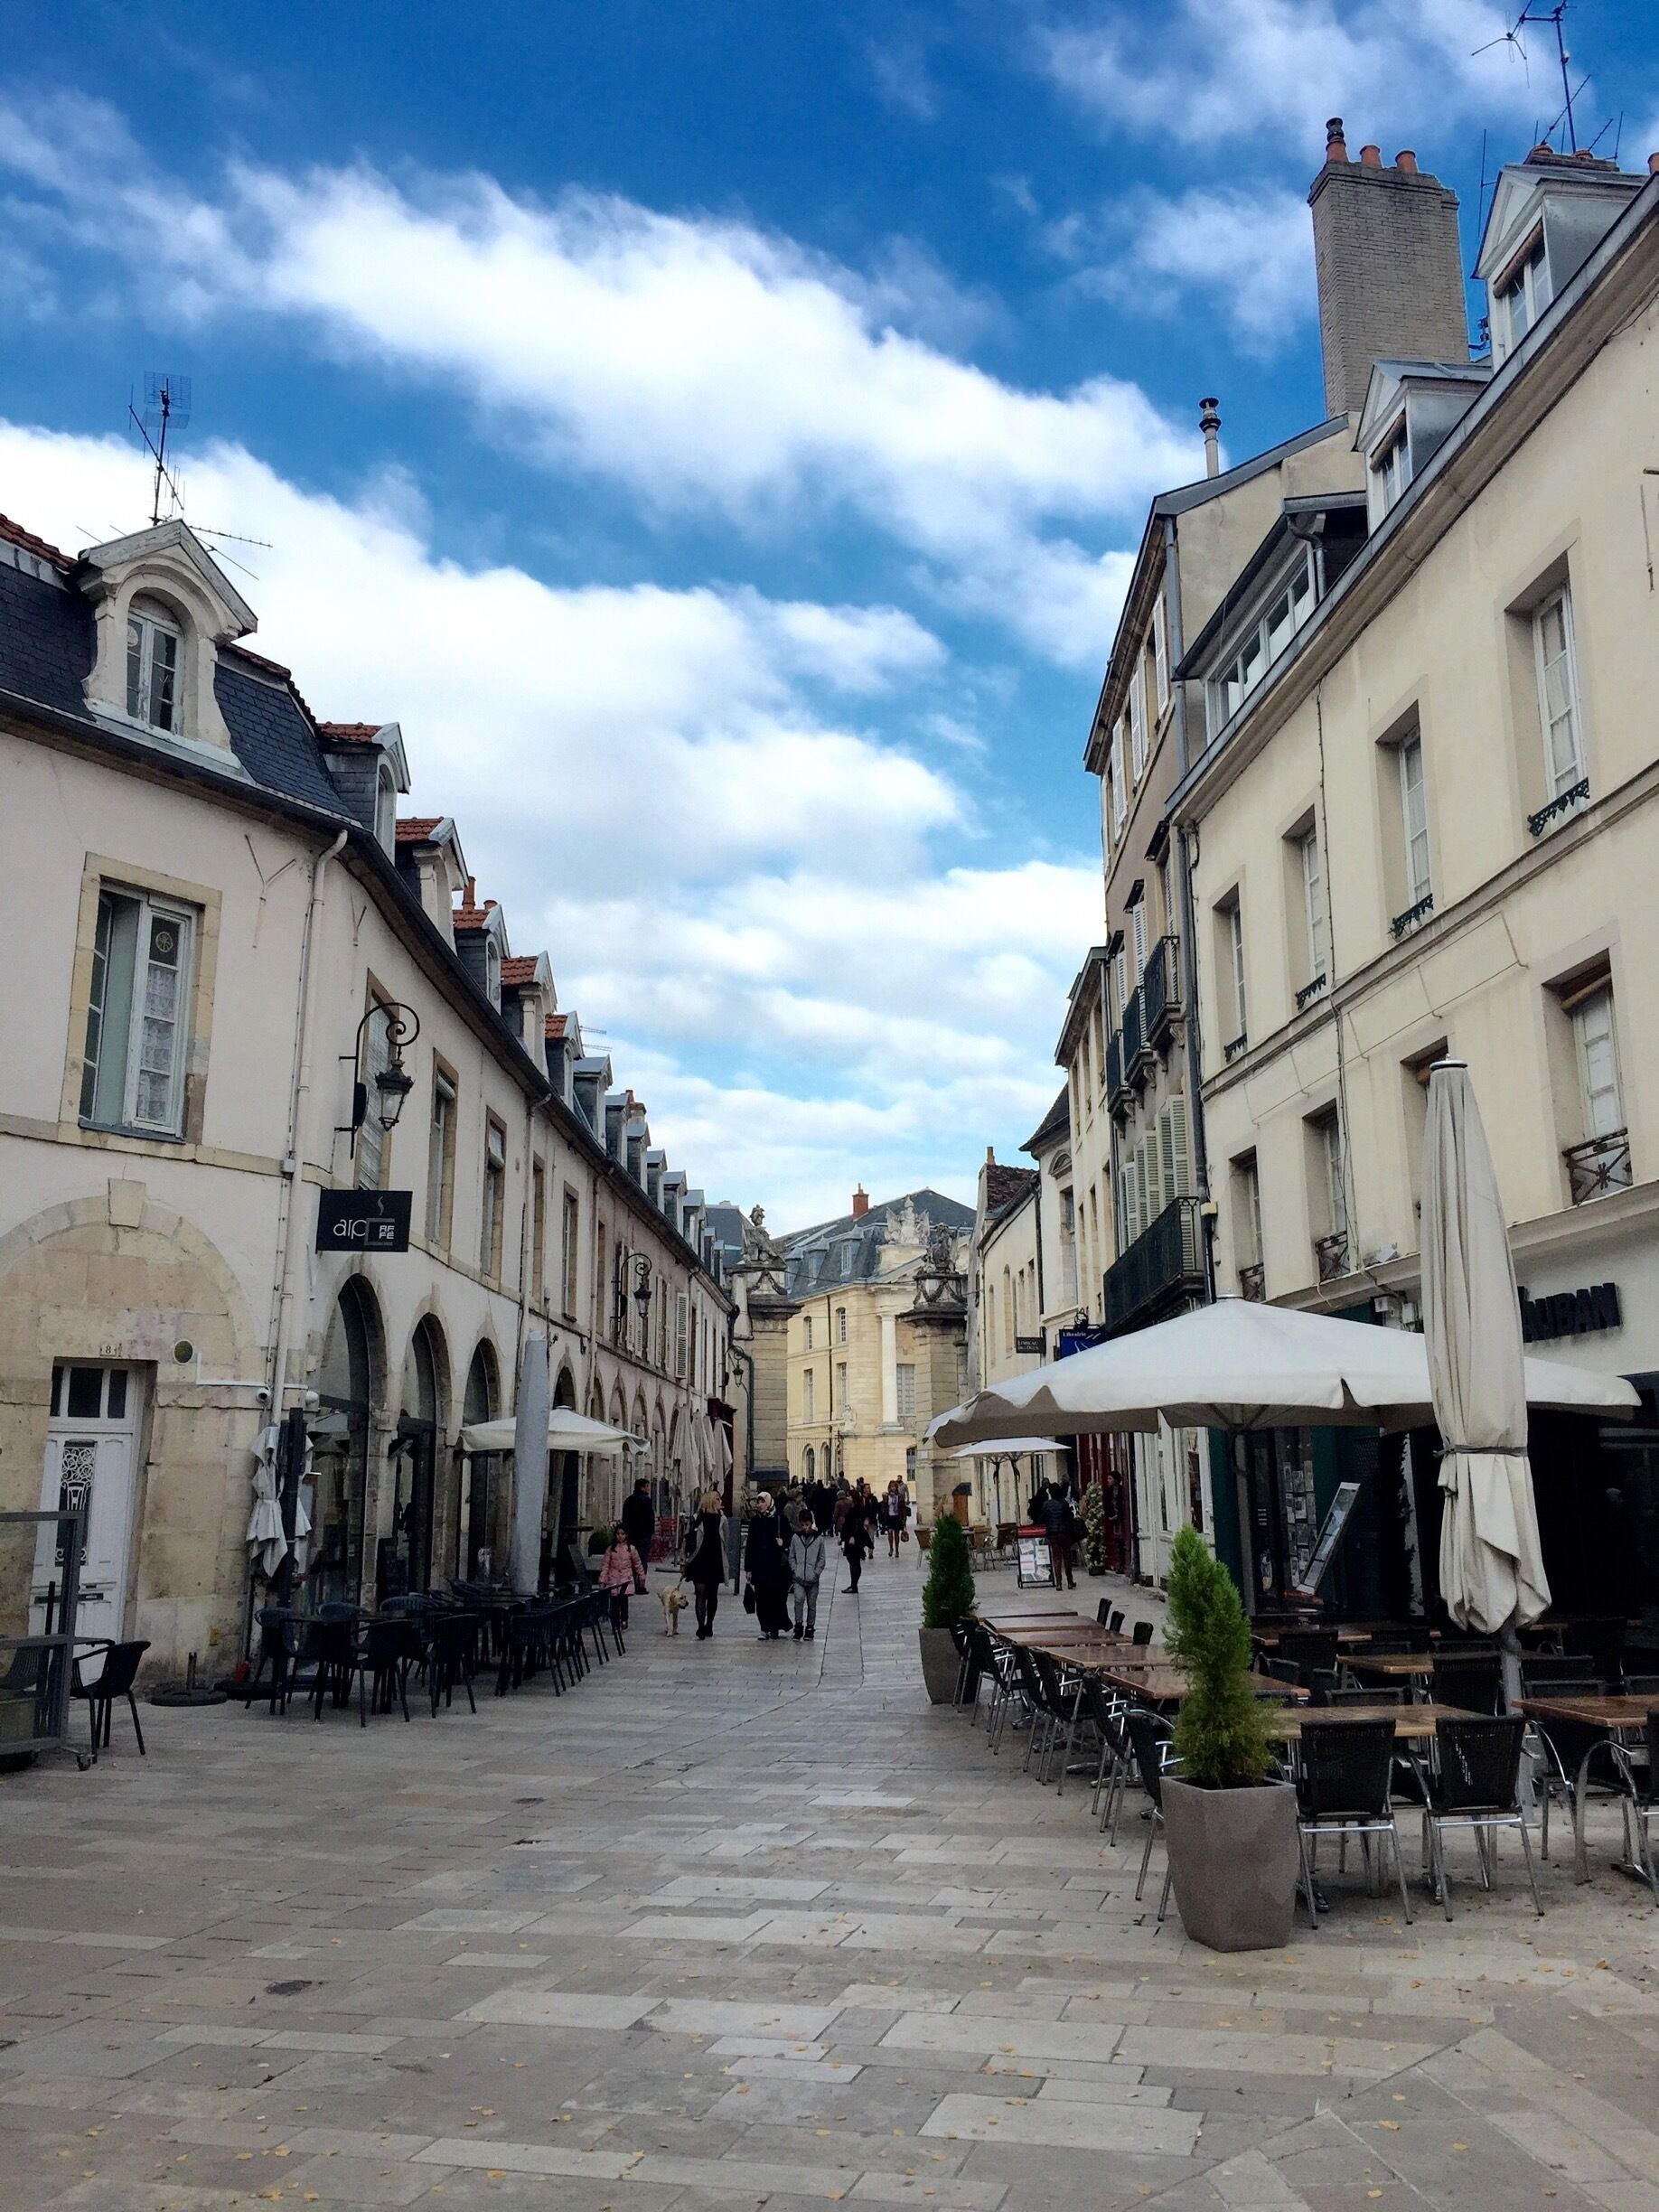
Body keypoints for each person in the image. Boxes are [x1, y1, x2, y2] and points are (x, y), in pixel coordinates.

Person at [745, 1495, 792, 1639]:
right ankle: (764, 1628)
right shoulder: (755, 1522)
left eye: (762, 1501)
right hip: (760, 1566)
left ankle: (774, 1627)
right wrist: (749, 1568)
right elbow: (750, 1545)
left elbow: (789, 1537)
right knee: (761, 1598)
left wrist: (782, 1542)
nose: (759, 1504)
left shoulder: (779, 1519)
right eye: (758, 1501)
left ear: (769, 1503)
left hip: (776, 1566)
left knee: (775, 1598)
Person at [683, 1494, 726, 1639]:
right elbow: (688, 1539)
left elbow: (726, 1539)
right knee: (700, 1591)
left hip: (715, 1559)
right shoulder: (698, 1518)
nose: (721, 1502)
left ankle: (709, 1624)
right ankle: (701, 1626)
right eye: (718, 1499)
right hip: (699, 1559)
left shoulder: (722, 1519)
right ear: (711, 1502)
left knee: (712, 1594)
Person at [596, 1524, 647, 1630]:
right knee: (614, 1602)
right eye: (618, 1534)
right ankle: (615, 1623)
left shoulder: (631, 1549)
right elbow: (605, 1565)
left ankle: (624, 1619)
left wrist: (641, 1576)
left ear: (626, 1535)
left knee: (624, 1601)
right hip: (613, 1579)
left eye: (622, 1534)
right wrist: (602, 1579)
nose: (620, 1536)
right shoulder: (611, 1549)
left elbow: (637, 1564)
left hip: (625, 1579)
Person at [788, 1512, 826, 1641]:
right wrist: (795, 1569)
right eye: (803, 1525)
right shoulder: (795, 1538)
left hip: (812, 1577)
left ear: (811, 1523)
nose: (805, 1528)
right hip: (799, 1577)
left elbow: (822, 1558)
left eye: (807, 1524)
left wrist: (816, 1572)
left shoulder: (819, 1539)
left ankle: (810, 1627)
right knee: (798, 1600)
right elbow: (791, 1556)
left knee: (812, 1603)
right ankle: (798, 1625)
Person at [1036, 1480, 1078, 1590]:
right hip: (1065, 1533)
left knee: (1056, 1558)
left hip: (1053, 1534)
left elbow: (1042, 1518)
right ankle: (1069, 1581)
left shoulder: (1046, 1504)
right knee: (1067, 1557)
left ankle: (1059, 1583)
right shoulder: (1064, 1503)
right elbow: (1069, 1518)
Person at [620, 1477, 655, 1563]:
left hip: (630, 1534)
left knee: (631, 1558)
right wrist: (651, 1532)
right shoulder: (646, 1500)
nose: (649, 1489)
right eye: (647, 1486)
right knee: (642, 1559)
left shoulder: (628, 1501)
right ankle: (641, 1576)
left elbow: (625, 1518)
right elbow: (650, 1518)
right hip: (643, 1535)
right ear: (642, 1488)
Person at [839, 1490, 867, 1593]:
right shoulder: (853, 1508)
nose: (847, 1498)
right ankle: (853, 1584)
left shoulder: (856, 1510)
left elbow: (857, 1523)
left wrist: (853, 1536)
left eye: (849, 1496)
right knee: (854, 1561)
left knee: (854, 1561)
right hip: (852, 1537)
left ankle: (854, 1585)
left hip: (854, 1539)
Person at [883, 1481, 911, 1559]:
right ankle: (891, 1548)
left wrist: (904, 1520)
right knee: (890, 1534)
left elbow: (903, 1509)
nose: (893, 1488)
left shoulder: (899, 1496)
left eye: (894, 1486)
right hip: (889, 1517)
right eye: (892, 1487)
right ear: (889, 1488)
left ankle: (897, 1550)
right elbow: (884, 1507)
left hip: (897, 1517)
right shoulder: (887, 1497)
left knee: (896, 1534)